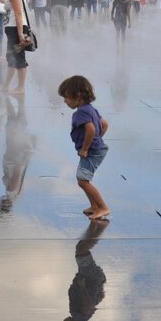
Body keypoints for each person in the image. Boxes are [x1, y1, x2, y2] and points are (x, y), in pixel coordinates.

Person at [58, 75, 110, 220]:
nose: (65, 101)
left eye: (67, 97)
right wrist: (98, 140)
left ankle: (103, 207)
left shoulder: (81, 112)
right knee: (83, 179)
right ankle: (94, 206)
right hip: (97, 149)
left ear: (78, 96)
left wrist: (86, 148)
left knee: (82, 181)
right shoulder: (90, 109)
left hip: (91, 152)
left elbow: (91, 129)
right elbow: (104, 124)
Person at [55, 219, 109, 321]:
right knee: (81, 249)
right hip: (90, 278)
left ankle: (94, 225)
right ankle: (101, 226)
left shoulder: (80, 317)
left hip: (91, 277)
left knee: (81, 248)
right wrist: (82, 286)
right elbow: (89, 307)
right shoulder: (80, 316)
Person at [0, 0, 31, 95]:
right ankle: (6, 86)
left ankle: (21, 88)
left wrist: (21, 34)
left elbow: (18, 13)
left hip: (16, 29)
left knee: (19, 58)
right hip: (15, 28)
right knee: (11, 57)